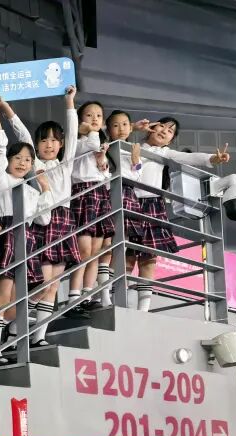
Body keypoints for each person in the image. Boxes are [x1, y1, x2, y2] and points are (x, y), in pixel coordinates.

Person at [0, 86, 57, 366]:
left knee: (17, 301)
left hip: (26, 238)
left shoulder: (32, 190)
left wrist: (46, 189)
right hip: (6, 236)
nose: (23, 163)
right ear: (8, 161)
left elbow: (44, 219)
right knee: (2, 298)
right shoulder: (1, 178)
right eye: (18, 158)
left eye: (28, 159)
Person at [127, 117, 231, 312]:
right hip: (128, 201)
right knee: (127, 255)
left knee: (148, 258)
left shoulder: (165, 152)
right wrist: (133, 128)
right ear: (151, 127)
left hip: (152, 204)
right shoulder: (132, 145)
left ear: (171, 140)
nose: (164, 131)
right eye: (162, 125)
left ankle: (143, 310)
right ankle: (119, 301)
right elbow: (115, 135)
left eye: (170, 131)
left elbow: (190, 158)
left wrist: (213, 159)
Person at [3, 86, 80, 344]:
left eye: (54, 140)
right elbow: (22, 133)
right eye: (44, 140)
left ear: (61, 144)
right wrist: (6, 109)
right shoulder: (34, 163)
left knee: (53, 286)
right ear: (37, 145)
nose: (49, 144)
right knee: (42, 285)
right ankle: (15, 326)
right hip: (43, 221)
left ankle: (38, 337)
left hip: (64, 221)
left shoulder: (65, 164)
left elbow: (73, 132)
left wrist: (70, 102)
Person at [97, 109, 143, 308]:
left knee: (121, 248)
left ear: (130, 127)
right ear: (108, 129)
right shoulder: (105, 147)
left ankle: (111, 292)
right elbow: (106, 174)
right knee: (107, 247)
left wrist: (135, 160)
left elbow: (137, 177)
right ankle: (103, 294)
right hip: (109, 196)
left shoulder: (133, 149)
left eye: (125, 124)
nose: (121, 129)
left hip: (128, 197)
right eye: (115, 125)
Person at [69, 100, 112, 313]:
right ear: (80, 120)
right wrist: (92, 133)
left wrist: (102, 161)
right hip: (82, 193)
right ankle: (74, 296)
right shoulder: (75, 143)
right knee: (83, 249)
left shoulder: (100, 146)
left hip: (99, 193)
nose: (94, 118)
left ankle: (88, 294)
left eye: (98, 115)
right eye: (89, 115)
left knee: (96, 250)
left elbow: (107, 179)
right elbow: (91, 144)